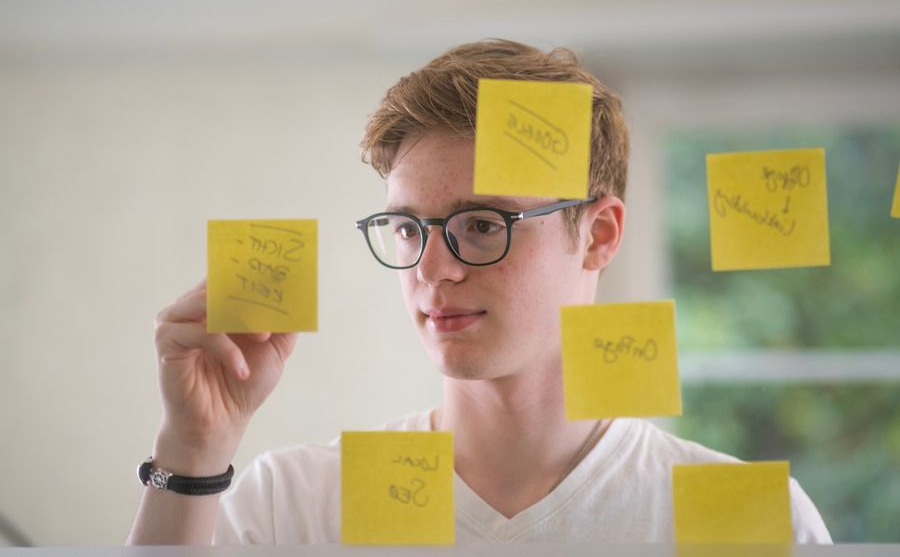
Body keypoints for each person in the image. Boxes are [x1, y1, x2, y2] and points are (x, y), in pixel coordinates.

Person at [127, 39, 831, 544]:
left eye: (482, 223)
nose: (433, 267)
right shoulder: (296, 503)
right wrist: (194, 448)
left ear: (599, 235)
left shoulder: (749, 520)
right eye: (407, 228)